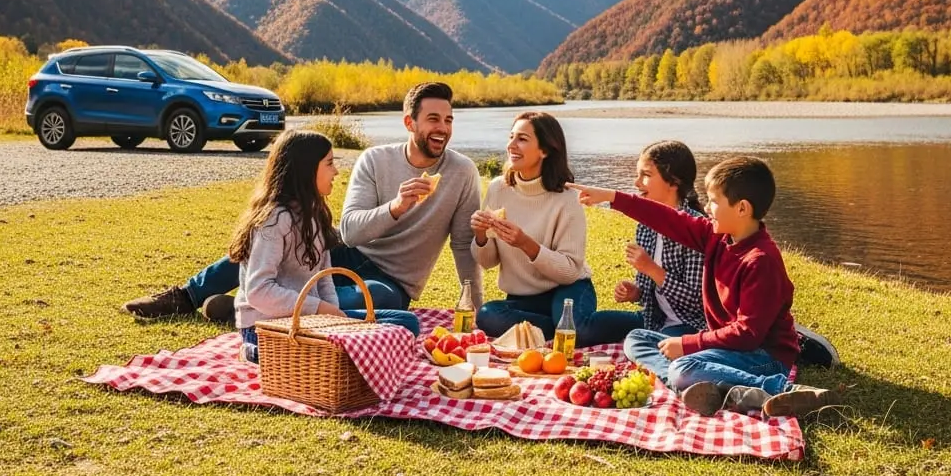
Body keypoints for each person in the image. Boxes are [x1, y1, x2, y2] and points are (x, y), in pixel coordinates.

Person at [123, 81, 485, 321]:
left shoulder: (462, 171)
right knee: (266, 241)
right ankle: (184, 297)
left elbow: (464, 244)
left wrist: (476, 308)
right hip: (346, 251)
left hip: (395, 281)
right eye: (433, 119)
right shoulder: (375, 160)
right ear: (410, 122)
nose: (442, 128)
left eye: (449, 120)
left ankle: (257, 307)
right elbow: (352, 230)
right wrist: (396, 208)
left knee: (381, 302)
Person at [568, 156, 834, 419]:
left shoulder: (760, 261)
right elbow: (668, 219)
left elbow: (747, 334)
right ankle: (704, 389)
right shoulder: (716, 236)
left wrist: (688, 344)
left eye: (714, 201)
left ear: (742, 208)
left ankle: (781, 389)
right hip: (727, 350)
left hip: (765, 357)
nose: (706, 208)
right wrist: (612, 197)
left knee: (684, 366)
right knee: (638, 338)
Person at [230, 130, 422, 362]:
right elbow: (257, 292)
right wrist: (319, 308)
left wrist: (334, 323)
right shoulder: (275, 220)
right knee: (317, 358)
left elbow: (324, 278)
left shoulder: (314, 215)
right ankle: (253, 353)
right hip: (265, 326)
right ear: (306, 170)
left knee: (405, 323)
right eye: (329, 164)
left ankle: (334, 351)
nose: (336, 171)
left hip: (312, 321)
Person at [470, 111, 596, 340]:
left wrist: (526, 244)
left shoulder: (567, 199)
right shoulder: (498, 189)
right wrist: (481, 236)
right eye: (511, 137)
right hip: (523, 298)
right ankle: (559, 328)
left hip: (568, 289)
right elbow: (488, 262)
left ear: (545, 150)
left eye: (522, 139)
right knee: (488, 315)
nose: (511, 145)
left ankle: (640, 320)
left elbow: (569, 271)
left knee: (576, 328)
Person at [576, 140, 708, 346]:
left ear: (673, 182)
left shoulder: (695, 229)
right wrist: (635, 292)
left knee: (637, 343)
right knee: (584, 328)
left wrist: (651, 268)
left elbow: (697, 303)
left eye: (645, 175)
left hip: (689, 325)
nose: (637, 183)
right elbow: (650, 295)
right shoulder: (645, 225)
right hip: (652, 321)